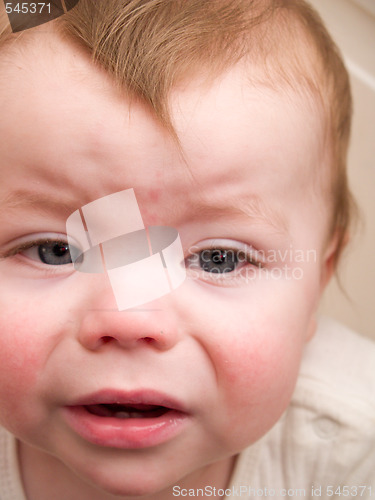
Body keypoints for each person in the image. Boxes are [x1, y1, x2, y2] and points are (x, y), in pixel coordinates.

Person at [0, 1, 374, 499]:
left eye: (219, 258)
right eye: (54, 250)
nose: (131, 319)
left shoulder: (353, 454)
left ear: (318, 280)